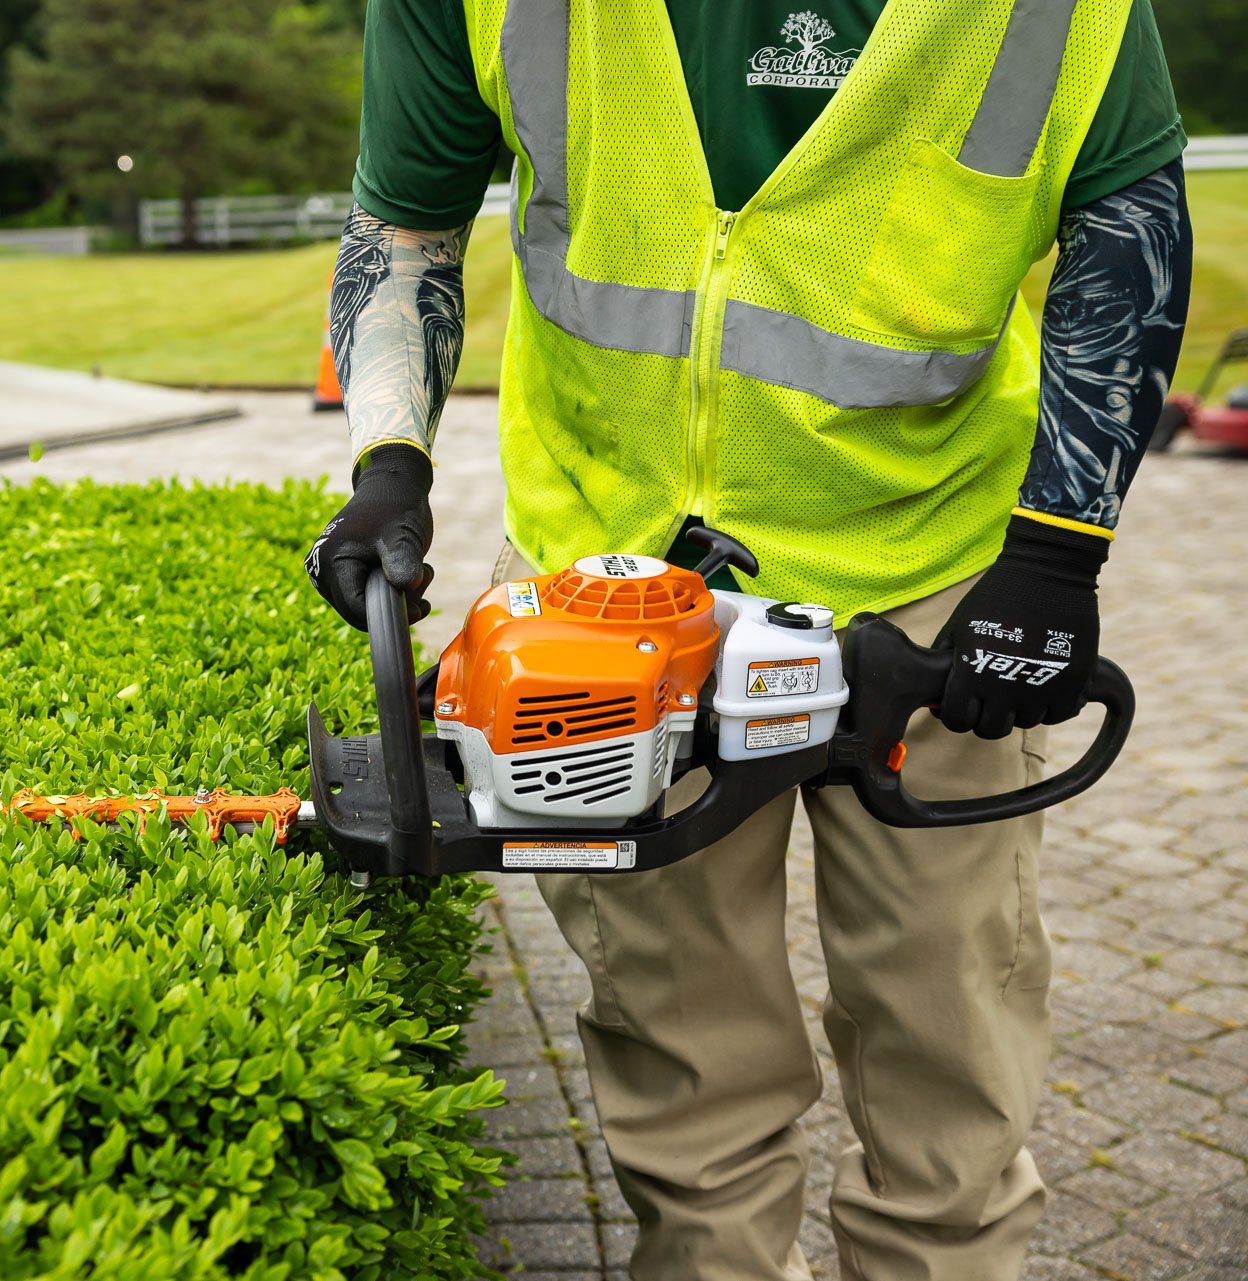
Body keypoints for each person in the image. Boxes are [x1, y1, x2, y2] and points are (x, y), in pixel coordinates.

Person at [303, 2, 1193, 1277]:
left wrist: (1058, 550)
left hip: (931, 574)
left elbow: (1128, 232)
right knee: (687, 1081)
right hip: (608, 599)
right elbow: (407, 220)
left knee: (952, 1044)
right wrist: (391, 460)